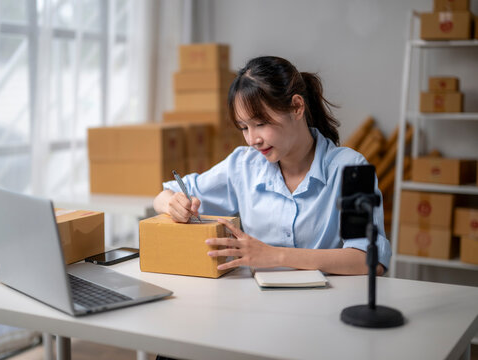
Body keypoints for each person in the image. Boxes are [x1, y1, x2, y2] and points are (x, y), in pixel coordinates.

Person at [153, 56, 391, 275]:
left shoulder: (350, 168)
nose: (252, 139)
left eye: (261, 123)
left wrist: (274, 255)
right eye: (244, 127)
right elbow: (165, 194)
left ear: (297, 107)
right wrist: (172, 203)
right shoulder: (243, 165)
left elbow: (370, 260)